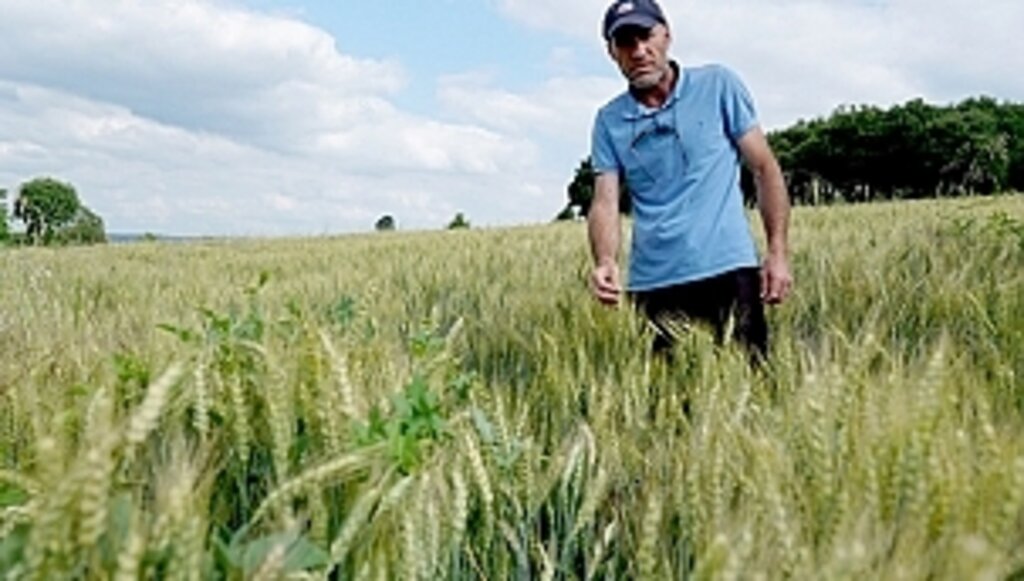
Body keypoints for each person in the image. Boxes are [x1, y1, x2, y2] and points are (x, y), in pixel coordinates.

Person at [588, 0, 793, 362]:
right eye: (625, 43)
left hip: (729, 270)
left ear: (667, 34)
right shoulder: (609, 120)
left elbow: (764, 168)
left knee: (753, 394)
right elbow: (605, 200)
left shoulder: (717, 85)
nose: (638, 51)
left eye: (646, 36)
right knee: (666, 408)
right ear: (611, 53)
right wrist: (605, 260)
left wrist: (777, 253)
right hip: (653, 283)